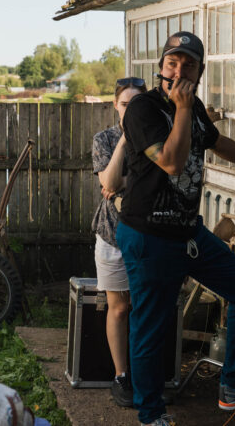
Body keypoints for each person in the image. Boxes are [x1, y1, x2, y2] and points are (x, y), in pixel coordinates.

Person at [116, 32, 235, 426]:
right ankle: (150, 415)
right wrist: (180, 109)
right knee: (152, 327)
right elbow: (172, 163)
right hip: (148, 235)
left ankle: (233, 385)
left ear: (199, 71)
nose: (179, 70)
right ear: (161, 65)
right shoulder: (142, 110)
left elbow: (215, 141)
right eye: (173, 62)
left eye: (189, 64)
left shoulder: (192, 106)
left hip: (186, 233)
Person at [91, 77, 147, 407]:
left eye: (137, 104)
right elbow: (109, 181)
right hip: (112, 234)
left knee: (145, 307)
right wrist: (126, 140)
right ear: (116, 105)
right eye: (125, 104)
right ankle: (121, 375)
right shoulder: (106, 139)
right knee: (120, 307)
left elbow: (160, 177)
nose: (130, 110)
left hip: (148, 235)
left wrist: (126, 182)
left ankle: (144, 373)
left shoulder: (156, 134)